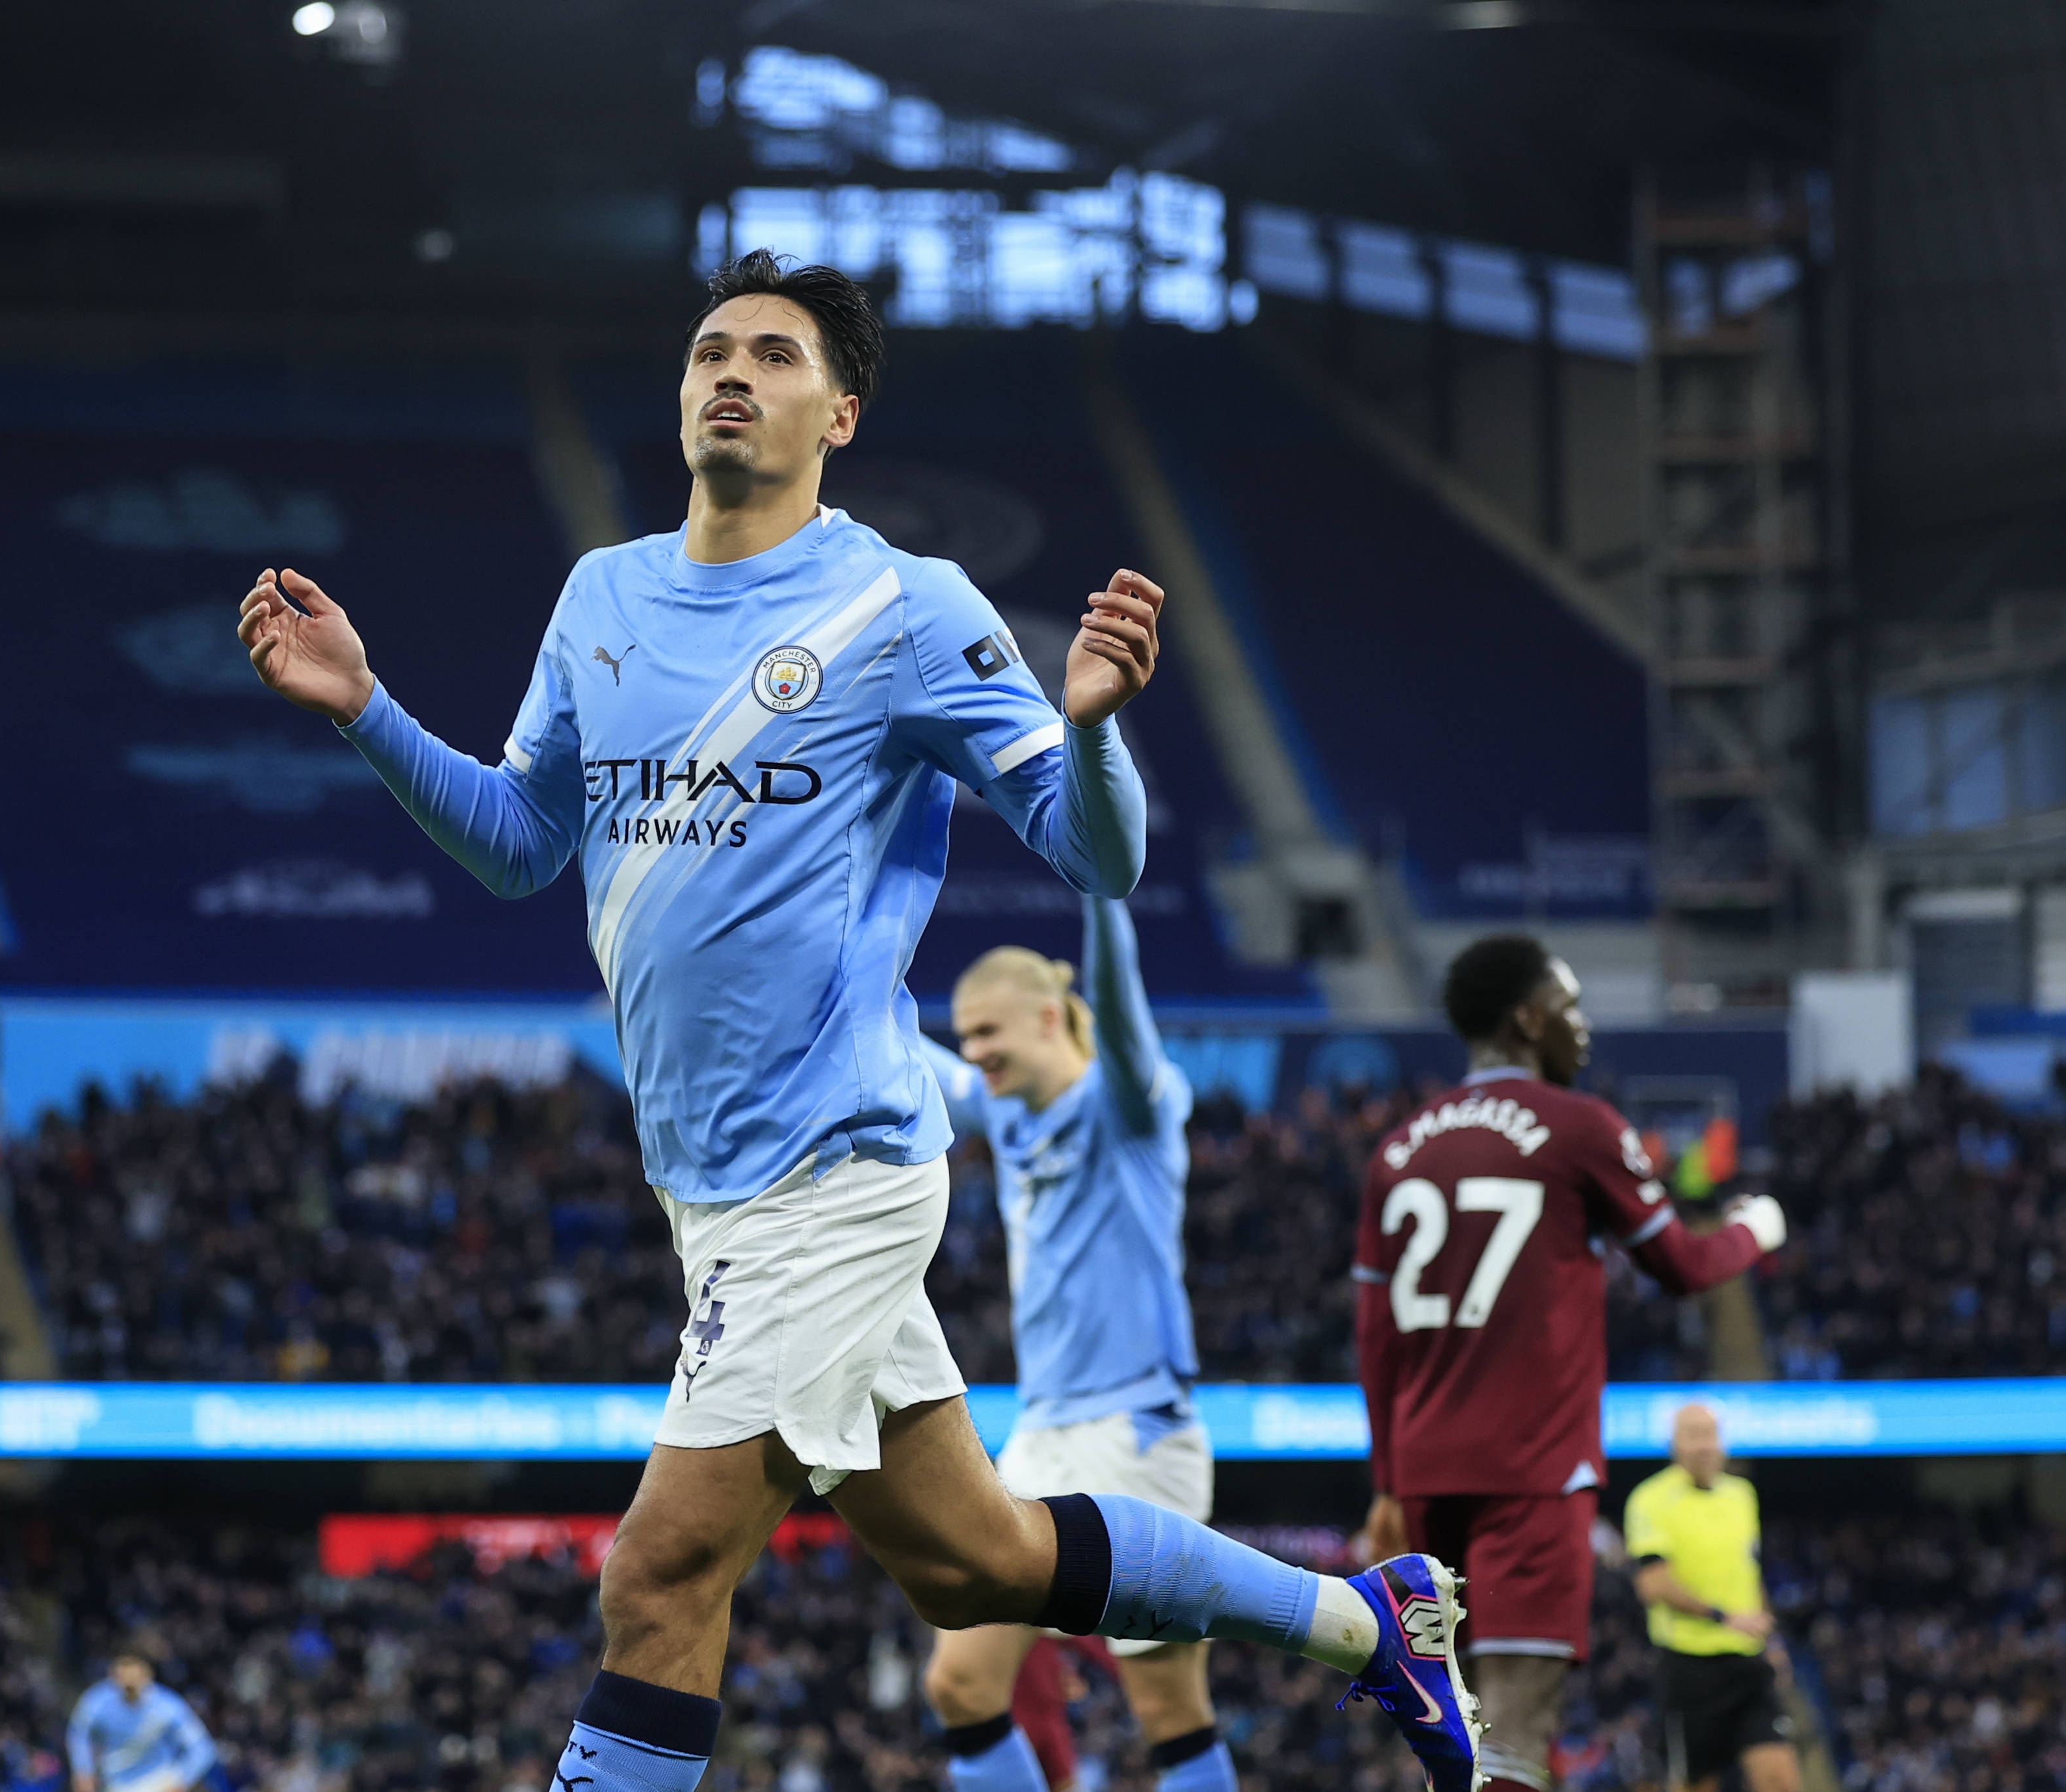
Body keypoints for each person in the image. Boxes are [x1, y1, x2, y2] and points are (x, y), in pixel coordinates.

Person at [241, 249, 1482, 1792]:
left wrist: (1091, 730)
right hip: (708, 1189)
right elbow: (516, 840)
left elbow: (1095, 852)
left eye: (774, 355)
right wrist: (365, 708)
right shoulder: (601, 594)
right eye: (711, 350)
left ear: (838, 412)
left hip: (832, 1168)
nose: (731, 373)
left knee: (659, 1573)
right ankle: (1367, 1623)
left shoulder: (902, 607)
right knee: (976, 1560)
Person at [1354, 938, 1789, 1792]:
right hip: (1532, 1466)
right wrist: (1756, 1229)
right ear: (1527, 1019)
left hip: (1424, 1472)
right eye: (1569, 1006)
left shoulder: (1397, 1149)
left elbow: (1375, 1337)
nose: (1583, 1028)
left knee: (1457, 1733)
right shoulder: (1579, 1126)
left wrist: (1384, 1484)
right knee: (1516, 1731)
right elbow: (1680, 1266)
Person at [914, 900, 1237, 1792]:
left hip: (1136, 1434)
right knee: (958, 1684)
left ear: (1050, 1017)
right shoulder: (1008, 1113)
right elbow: (909, 1053)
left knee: (1167, 1709)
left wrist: (1103, 894)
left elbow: (1122, 1014)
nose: (974, 1050)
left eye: (988, 1031)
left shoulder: (1128, 1106)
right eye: (966, 1035)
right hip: (1041, 1438)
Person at [1624, 1405, 1799, 1792]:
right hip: (1689, 1667)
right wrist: (1723, 1617)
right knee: (1698, 1784)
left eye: (1710, 1434)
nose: (1704, 1445)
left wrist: (1772, 1641)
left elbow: (1748, 1574)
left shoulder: (1741, 1495)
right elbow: (1653, 1584)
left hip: (1748, 1661)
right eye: (1693, 1435)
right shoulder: (1650, 1499)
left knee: (1781, 1780)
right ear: (1674, 1444)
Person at [67, 1638, 216, 1792]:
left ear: (148, 1672)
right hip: (116, 1784)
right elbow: (79, 1733)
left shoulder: (167, 1706)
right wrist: (83, 1771)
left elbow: (202, 1748)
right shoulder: (96, 1702)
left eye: (134, 1668)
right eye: (124, 1667)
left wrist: (181, 1781)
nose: (129, 1676)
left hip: (158, 1782)